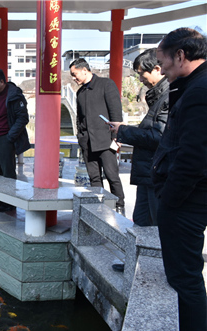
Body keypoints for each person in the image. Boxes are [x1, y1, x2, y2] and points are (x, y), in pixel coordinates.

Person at [151, 28, 207, 331]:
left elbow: (193, 156)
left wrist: (170, 199)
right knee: (184, 276)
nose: (161, 70)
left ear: (181, 56)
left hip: (188, 201)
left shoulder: (199, 91)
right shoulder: (191, 86)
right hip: (187, 198)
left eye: (163, 63)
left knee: (186, 279)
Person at [108, 48, 169, 227]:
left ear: (157, 69)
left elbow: (159, 137)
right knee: (141, 225)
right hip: (148, 172)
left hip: (157, 173)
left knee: (156, 228)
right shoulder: (158, 96)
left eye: (142, 74)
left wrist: (123, 131)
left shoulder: (168, 97)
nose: (141, 79)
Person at [69, 58, 125, 214]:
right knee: (94, 177)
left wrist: (117, 137)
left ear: (84, 70)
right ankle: (98, 207)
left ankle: (119, 205)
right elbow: (79, 118)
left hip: (105, 140)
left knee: (112, 176)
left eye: (75, 74)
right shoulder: (80, 92)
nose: (73, 78)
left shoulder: (106, 85)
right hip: (87, 142)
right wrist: (80, 137)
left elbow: (115, 111)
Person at [0, 69, 30, 212]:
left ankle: (9, 201)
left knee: (8, 171)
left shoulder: (15, 95)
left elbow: (23, 118)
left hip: (7, 137)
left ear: (2, 82)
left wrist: (10, 137)